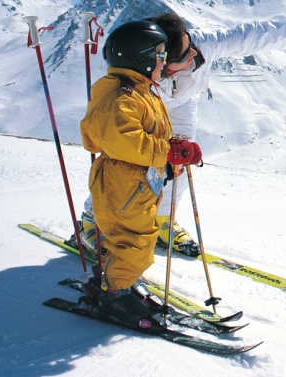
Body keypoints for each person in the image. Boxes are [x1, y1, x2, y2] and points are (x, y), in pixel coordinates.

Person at [75, 13, 286, 257]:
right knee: (126, 164)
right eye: (184, 56)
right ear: (158, 63)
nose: (194, 54)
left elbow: (252, 34)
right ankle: (94, 218)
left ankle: (162, 220)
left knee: (177, 166)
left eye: (190, 45)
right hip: (147, 108)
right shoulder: (132, 79)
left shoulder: (201, 45)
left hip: (182, 105)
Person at [78, 20, 201, 326]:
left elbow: (148, 134)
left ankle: (116, 279)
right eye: (159, 54)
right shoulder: (122, 98)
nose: (165, 60)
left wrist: (176, 147)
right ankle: (115, 296)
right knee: (135, 242)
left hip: (136, 183)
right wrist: (166, 152)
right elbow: (125, 140)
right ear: (141, 58)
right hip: (122, 182)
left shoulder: (142, 92)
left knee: (134, 238)